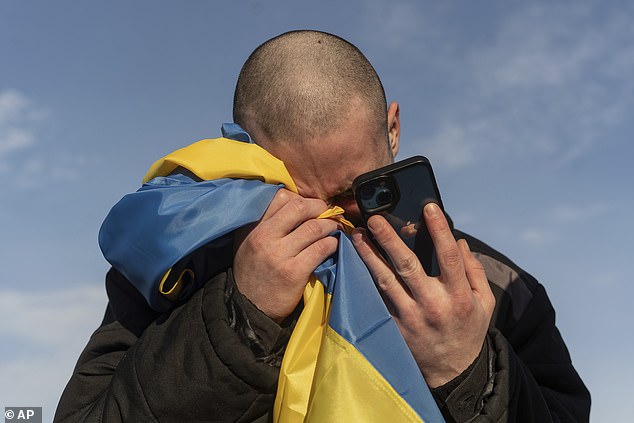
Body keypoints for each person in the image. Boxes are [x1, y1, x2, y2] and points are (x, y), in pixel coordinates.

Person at [55, 30, 590, 422]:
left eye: (355, 193)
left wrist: (469, 372)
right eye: (293, 201)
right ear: (246, 158)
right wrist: (239, 320)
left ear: (393, 129)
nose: (334, 224)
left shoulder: (497, 286)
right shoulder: (183, 265)